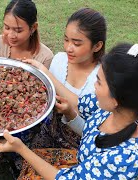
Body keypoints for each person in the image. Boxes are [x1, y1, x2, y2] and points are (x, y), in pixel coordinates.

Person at [0, 43, 138, 179]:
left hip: (75, 175)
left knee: (31, 159)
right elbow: (79, 103)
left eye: (99, 82)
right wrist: (44, 73)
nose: (94, 86)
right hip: (83, 164)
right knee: (37, 153)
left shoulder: (124, 159)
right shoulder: (123, 109)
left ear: (116, 99)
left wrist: (20, 148)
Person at [30, 7, 106, 150]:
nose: (68, 48)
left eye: (77, 44)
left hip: (82, 141)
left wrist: (47, 74)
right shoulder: (59, 60)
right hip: (51, 130)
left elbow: (96, 132)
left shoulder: (101, 79)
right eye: (66, 40)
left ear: (97, 46)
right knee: (24, 163)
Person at [0, 0, 53, 68]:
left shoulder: (45, 57)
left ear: (33, 28)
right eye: (7, 28)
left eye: (18, 30)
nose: (11, 35)